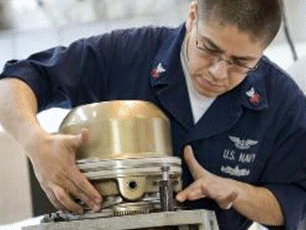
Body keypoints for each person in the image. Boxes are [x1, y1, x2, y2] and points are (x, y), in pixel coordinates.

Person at [0, 0, 305, 229]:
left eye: (240, 63)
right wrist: (36, 143)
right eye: (208, 48)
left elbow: (293, 200)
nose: (218, 72)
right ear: (193, 15)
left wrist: (238, 192)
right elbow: (15, 81)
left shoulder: (284, 104)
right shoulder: (126, 54)